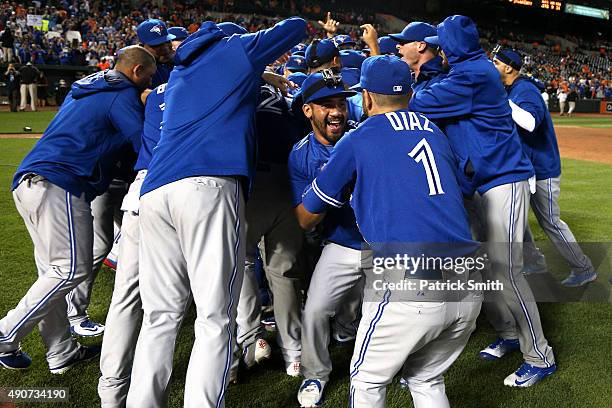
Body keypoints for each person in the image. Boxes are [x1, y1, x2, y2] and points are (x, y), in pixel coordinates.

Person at [125, 18, 307, 408]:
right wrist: (258, 60)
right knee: (214, 317)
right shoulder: (234, 49)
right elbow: (295, 26)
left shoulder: (182, 71)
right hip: (207, 186)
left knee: (160, 316)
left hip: (155, 193)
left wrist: (259, 70)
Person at [299, 55, 482, 408]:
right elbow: (462, 187)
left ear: (366, 97)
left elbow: (308, 216)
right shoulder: (435, 131)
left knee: (367, 381)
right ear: (410, 95)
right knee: (426, 377)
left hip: (412, 278)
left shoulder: (358, 138)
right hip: (470, 280)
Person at [410, 16, 556, 388]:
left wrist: (422, 72)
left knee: (508, 271)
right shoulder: (467, 71)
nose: (437, 52)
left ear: (452, 49)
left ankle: (539, 355)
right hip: (482, 181)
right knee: (486, 269)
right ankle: (508, 333)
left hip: (504, 180)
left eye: (440, 47)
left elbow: (417, 102)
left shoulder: (471, 75)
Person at [0, 46, 156, 374]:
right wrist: (147, 108)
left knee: (53, 273)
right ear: (138, 70)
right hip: (60, 182)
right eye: (149, 77)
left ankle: (61, 353)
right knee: (71, 270)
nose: (148, 84)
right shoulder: (122, 93)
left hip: (30, 181)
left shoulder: (90, 84)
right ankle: (5, 334)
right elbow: (142, 141)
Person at [289, 71, 366, 407]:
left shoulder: (363, 137)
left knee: (394, 310)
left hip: (381, 241)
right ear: (308, 111)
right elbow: (303, 219)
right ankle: (315, 374)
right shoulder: (301, 155)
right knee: (316, 310)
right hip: (341, 241)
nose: (336, 111)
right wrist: (332, 191)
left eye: (340, 103)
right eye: (325, 105)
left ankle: (402, 367)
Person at [493, 48, 597, 287]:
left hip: (542, 168)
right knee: (518, 217)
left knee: (550, 221)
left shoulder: (525, 89)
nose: (492, 65)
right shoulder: (511, 89)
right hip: (524, 167)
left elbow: (530, 122)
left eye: (496, 62)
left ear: (509, 67)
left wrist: (499, 100)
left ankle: (584, 268)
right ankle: (535, 260)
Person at [136, 19, 176, 88]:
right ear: (142, 47)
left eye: (167, 41)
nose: (165, 48)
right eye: (157, 45)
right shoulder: (139, 73)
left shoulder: (180, 60)